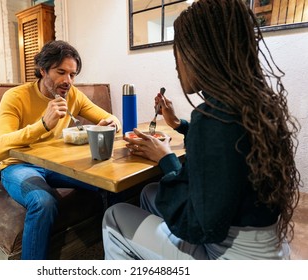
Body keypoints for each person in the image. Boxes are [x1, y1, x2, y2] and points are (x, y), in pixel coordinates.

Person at [102, 0, 301, 260]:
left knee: (114, 216)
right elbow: (225, 156)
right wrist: (178, 125)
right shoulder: (250, 102)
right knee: (150, 193)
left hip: (235, 258)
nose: (176, 65)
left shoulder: (216, 117)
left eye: (178, 53)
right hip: (266, 242)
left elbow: (201, 225)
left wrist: (167, 160)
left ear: (201, 53)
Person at [0, 40, 121, 260]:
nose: (68, 81)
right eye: (61, 72)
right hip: (18, 167)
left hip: (57, 165)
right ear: (42, 70)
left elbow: (109, 118)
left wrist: (111, 124)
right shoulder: (15, 97)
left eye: (72, 74)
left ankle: (117, 256)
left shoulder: (73, 95)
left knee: (110, 181)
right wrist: (42, 125)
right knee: (43, 202)